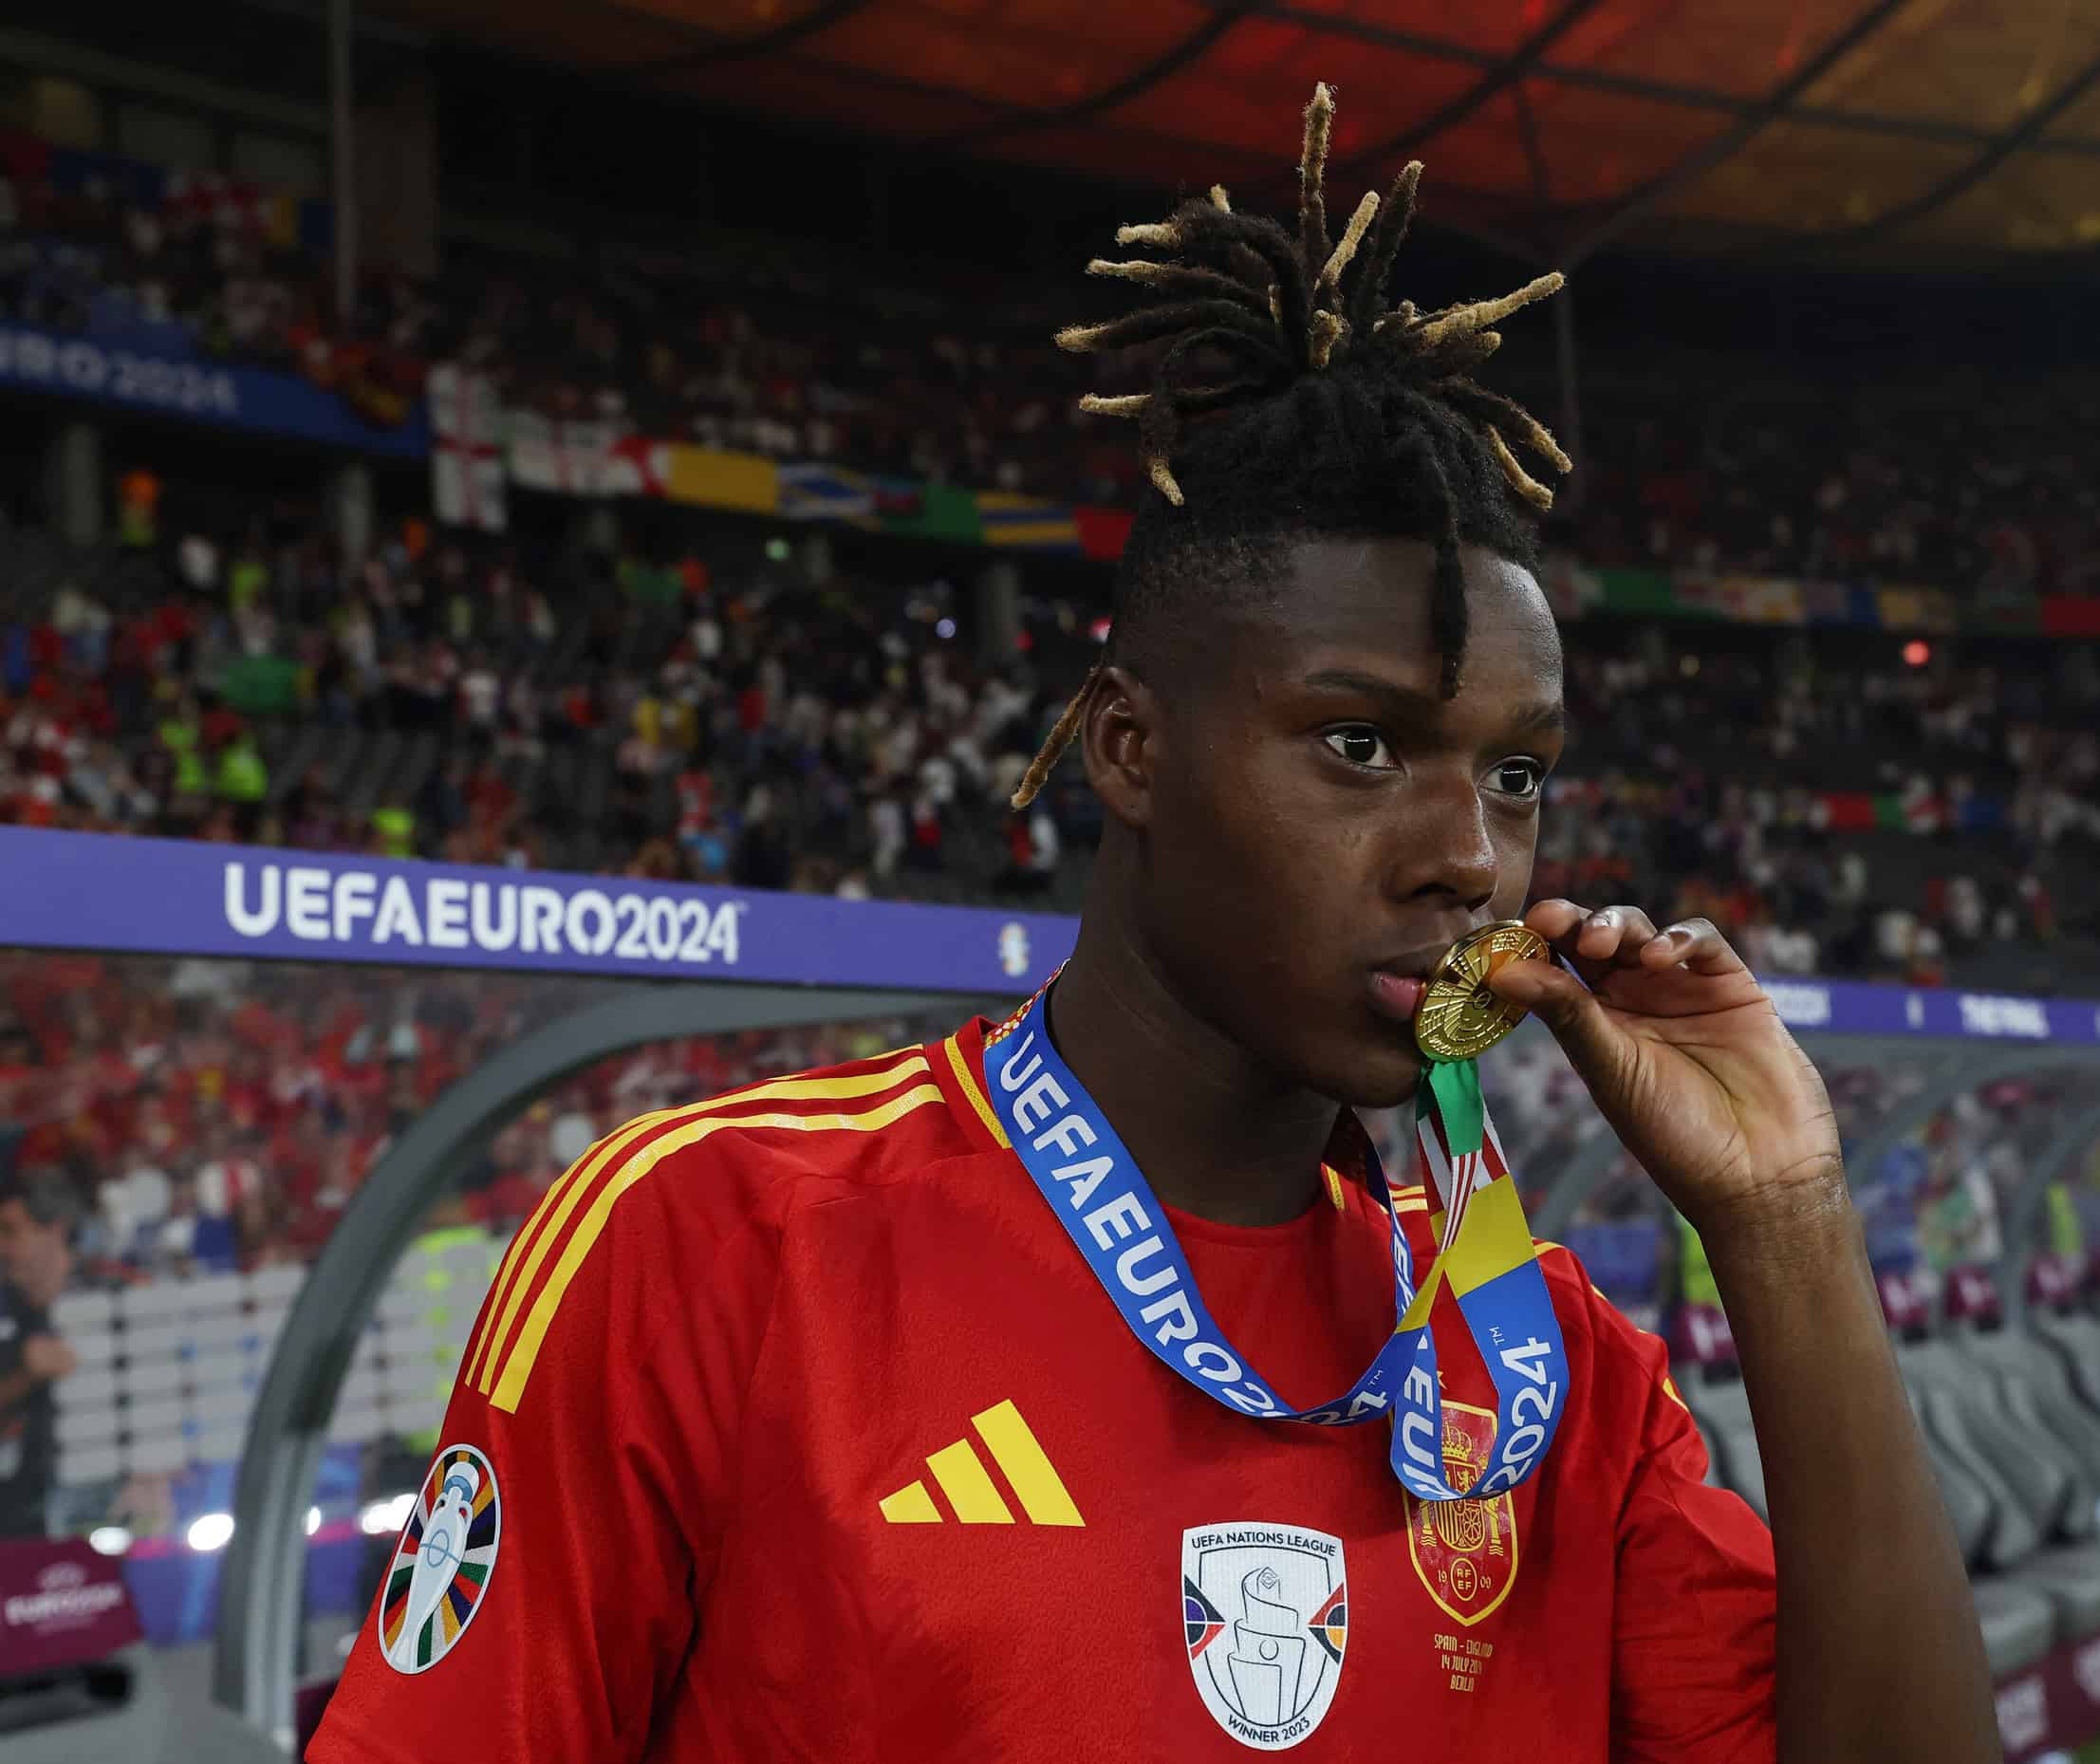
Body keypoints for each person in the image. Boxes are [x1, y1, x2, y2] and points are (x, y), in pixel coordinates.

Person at [311, 88, 1992, 1763]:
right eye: (1361, 743)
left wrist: (1787, 1220)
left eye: (1518, 772)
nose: (1468, 857)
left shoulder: (1544, 1362)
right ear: (1130, 746)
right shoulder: (713, 1243)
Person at [0, 1169, 81, 1539]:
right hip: (14, 1522)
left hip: (101, 1506)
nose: (2, 1248)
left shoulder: (114, 1296)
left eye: (11, 1231)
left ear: (56, 1231)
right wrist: (26, 1376)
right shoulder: (7, 1307)